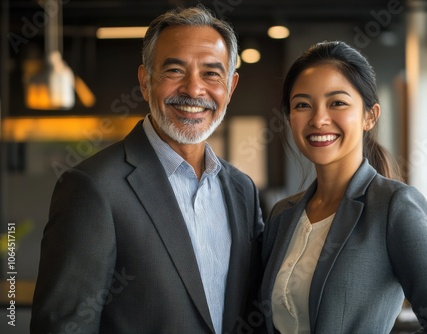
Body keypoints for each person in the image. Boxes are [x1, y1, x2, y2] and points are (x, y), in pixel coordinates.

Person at [31, 5, 264, 334]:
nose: (194, 89)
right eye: (175, 71)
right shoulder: (93, 187)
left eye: (211, 73)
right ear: (145, 81)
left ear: (230, 87)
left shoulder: (242, 190)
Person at [259, 41, 427, 333]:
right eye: (302, 105)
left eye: (337, 103)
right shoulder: (282, 215)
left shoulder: (394, 206)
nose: (319, 119)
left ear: (369, 116)